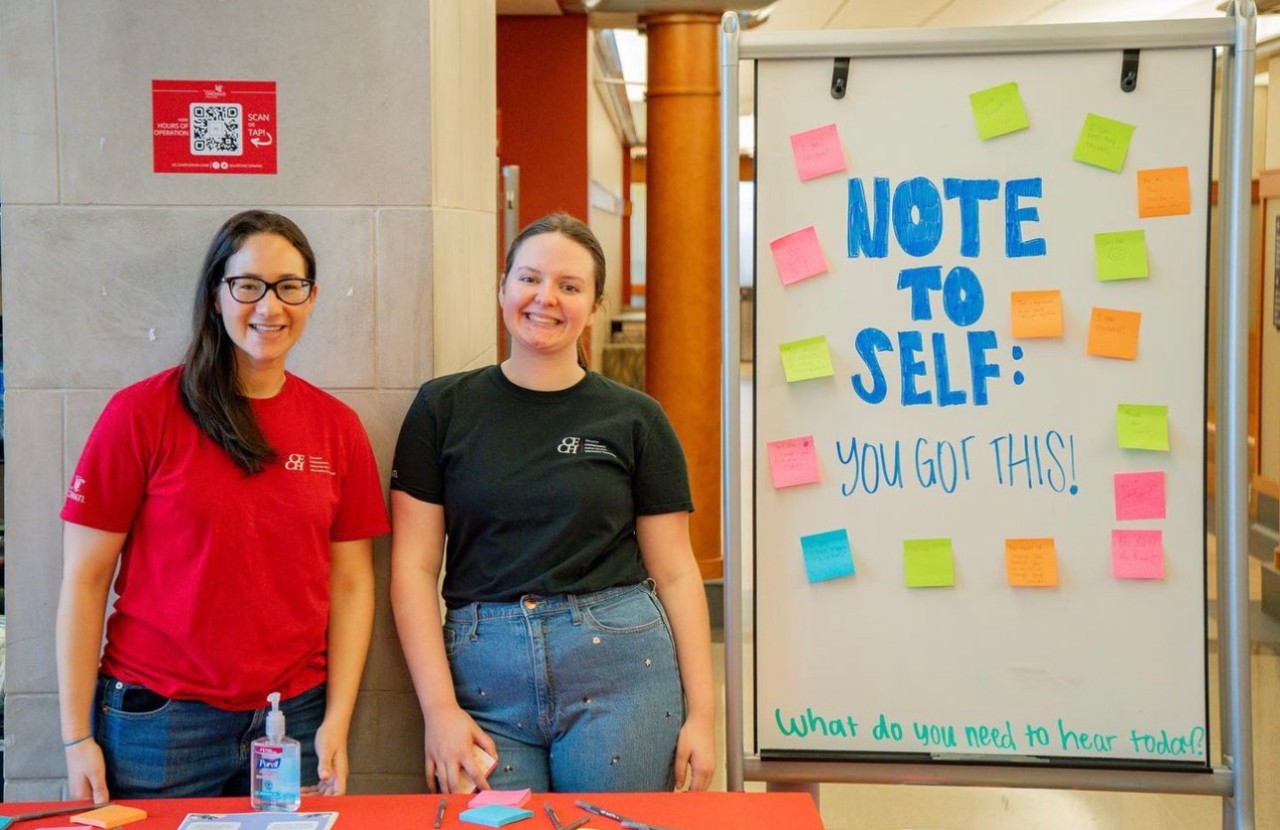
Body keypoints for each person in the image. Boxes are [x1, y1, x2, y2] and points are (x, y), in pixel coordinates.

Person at [56, 210, 390, 801]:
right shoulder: (140, 414)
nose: (270, 306)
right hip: (159, 724)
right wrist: (75, 735)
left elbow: (352, 583)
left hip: (294, 718)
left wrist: (337, 717)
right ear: (216, 295)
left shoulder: (337, 428)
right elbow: (85, 579)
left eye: (290, 286)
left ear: (311, 297)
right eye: (248, 285)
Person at [390, 213, 716, 794]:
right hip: (484, 680)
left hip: (620, 669)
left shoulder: (637, 418)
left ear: (594, 307)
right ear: (503, 288)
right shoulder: (442, 408)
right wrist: (438, 710)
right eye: (529, 278)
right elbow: (413, 568)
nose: (546, 298)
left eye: (570, 286)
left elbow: (675, 570)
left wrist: (704, 715)